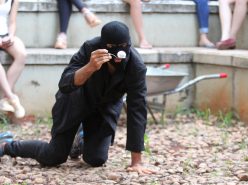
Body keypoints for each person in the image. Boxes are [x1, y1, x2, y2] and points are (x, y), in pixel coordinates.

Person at [0, 21, 155, 174]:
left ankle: (80, 139)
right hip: (75, 100)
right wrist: (90, 67)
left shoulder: (136, 66)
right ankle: (7, 145)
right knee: (54, 156)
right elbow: (65, 84)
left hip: (104, 108)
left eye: (124, 46)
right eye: (114, 49)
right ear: (104, 46)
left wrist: (137, 162)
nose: (120, 55)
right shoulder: (89, 48)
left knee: (96, 159)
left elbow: (137, 110)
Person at [0, 0, 26, 118]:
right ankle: (12, 97)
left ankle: (5, 99)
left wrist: (10, 36)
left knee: (22, 54)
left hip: (5, 35)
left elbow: (12, 22)